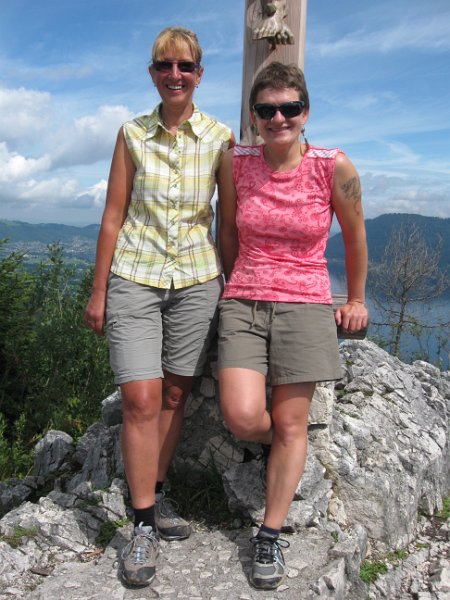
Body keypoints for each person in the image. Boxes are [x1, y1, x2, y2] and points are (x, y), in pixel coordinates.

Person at [84, 26, 235, 587]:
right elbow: (112, 216)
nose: (175, 75)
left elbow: (227, 224)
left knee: (175, 394)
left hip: (197, 280)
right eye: (164, 65)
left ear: (199, 74)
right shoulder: (131, 134)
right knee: (140, 398)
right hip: (134, 276)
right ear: (152, 73)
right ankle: (142, 523)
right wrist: (99, 291)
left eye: (185, 66)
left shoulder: (219, 138)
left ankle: (158, 490)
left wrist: (234, 285)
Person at [217, 61, 368, 591]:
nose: (278, 118)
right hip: (245, 299)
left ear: (306, 112)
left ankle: (270, 533)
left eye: (289, 108)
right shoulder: (236, 163)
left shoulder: (333, 165)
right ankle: (285, 445)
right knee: (242, 416)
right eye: (266, 110)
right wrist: (234, 282)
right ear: (254, 117)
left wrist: (357, 299)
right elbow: (227, 231)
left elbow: (354, 236)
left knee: (290, 422)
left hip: (306, 303)